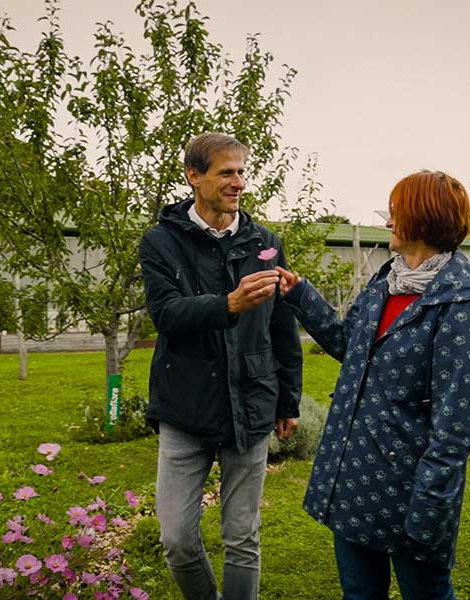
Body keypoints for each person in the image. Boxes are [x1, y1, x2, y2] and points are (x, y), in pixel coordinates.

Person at [277, 170, 470, 600]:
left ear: (422, 219)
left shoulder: (461, 309)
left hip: (411, 487)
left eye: (397, 211)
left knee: (426, 595)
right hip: (355, 473)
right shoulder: (385, 282)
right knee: (359, 594)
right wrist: (301, 294)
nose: (389, 221)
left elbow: (455, 429)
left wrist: (431, 506)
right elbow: (349, 346)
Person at [139, 132, 303, 600]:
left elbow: (281, 326)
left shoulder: (264, 242)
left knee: (242, 538)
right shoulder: (161, 242)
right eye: (226, 172)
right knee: (177, 540)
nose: (239, 183)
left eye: (242, 172)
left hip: (250, 403)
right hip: (185, 405)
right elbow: (166, 314)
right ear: (194, 176)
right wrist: (228, 303)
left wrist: (288, 397)